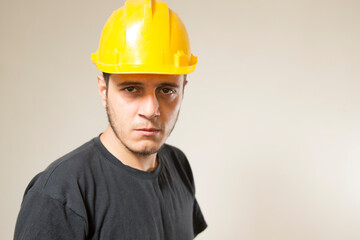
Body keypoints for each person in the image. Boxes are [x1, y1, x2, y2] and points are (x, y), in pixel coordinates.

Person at [13, 0, 207, 239]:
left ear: (183, 90)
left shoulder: (178, 165)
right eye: (131, 89)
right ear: (103, 90)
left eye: (166, 90)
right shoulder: (61, 193)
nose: (151, 109)